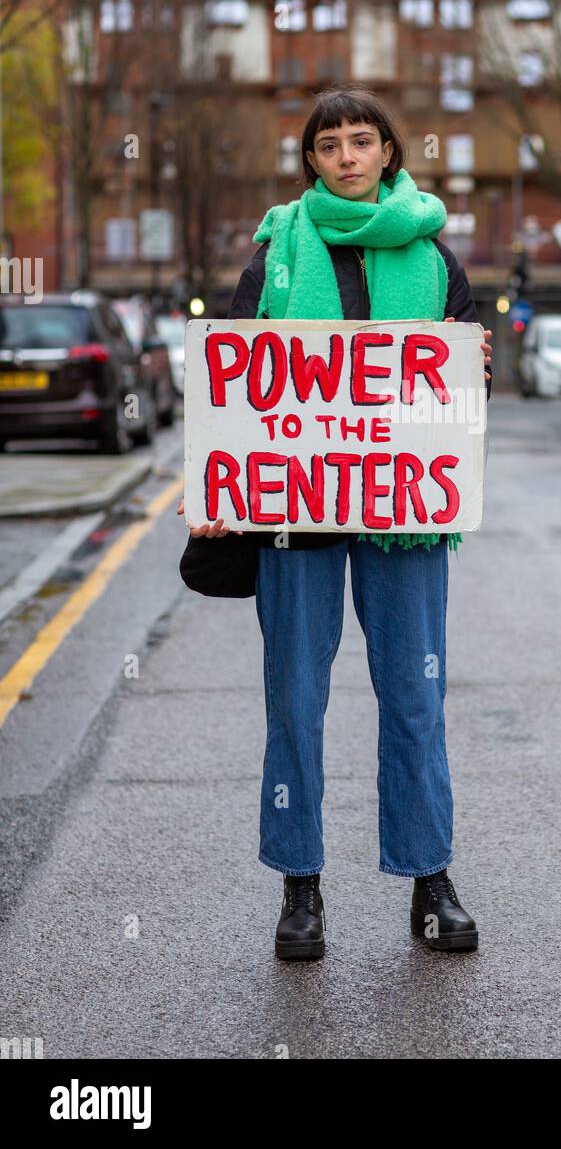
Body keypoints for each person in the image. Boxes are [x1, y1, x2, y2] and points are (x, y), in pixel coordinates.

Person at [178, 84, 492, 961]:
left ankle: (430, 881)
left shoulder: (435, 260)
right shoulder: (275, 256)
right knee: (296, 703)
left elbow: (459, 393)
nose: (348, 156)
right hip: (294, 518)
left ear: (389, 151)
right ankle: (300, 889)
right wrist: (213, 486)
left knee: (415, 697)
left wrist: (479, 371)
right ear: (311, 161)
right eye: (330, 145)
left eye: (363, 141)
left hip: (404, 514)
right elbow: (236, 386)